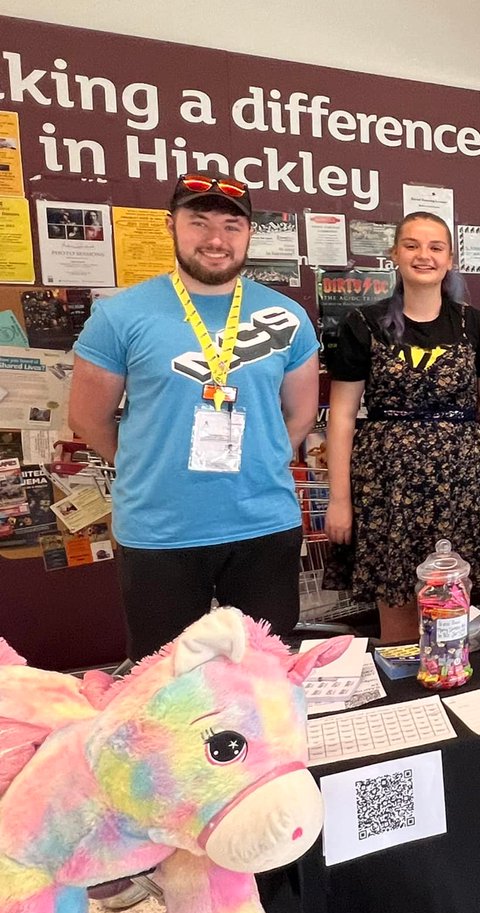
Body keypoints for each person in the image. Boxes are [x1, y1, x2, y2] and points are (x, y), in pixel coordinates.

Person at [70, 173, 319, 661]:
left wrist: (260, 458)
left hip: (263, 526)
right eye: (199, 222)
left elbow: (301, 414)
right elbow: (88, 418)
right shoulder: (121, 315)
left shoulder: (287, 316)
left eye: (232, 225)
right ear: (171, 226)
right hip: (160, 530)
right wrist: (150, 464)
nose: (215, 240)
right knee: (163, 685)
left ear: (250, 234)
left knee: (267, 677)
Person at [323, 211, 480, 643]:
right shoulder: (362, 324)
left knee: (455, 600)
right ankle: (407, 693)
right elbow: (343, 416)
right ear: (394, 254)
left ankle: (453, 684)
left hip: (461, 482)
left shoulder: (475, 324)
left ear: (449, 260)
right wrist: (339, 500)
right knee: (398, 600)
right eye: (411, 245)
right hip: (386, 483)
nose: (423, 255)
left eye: (435, 247)